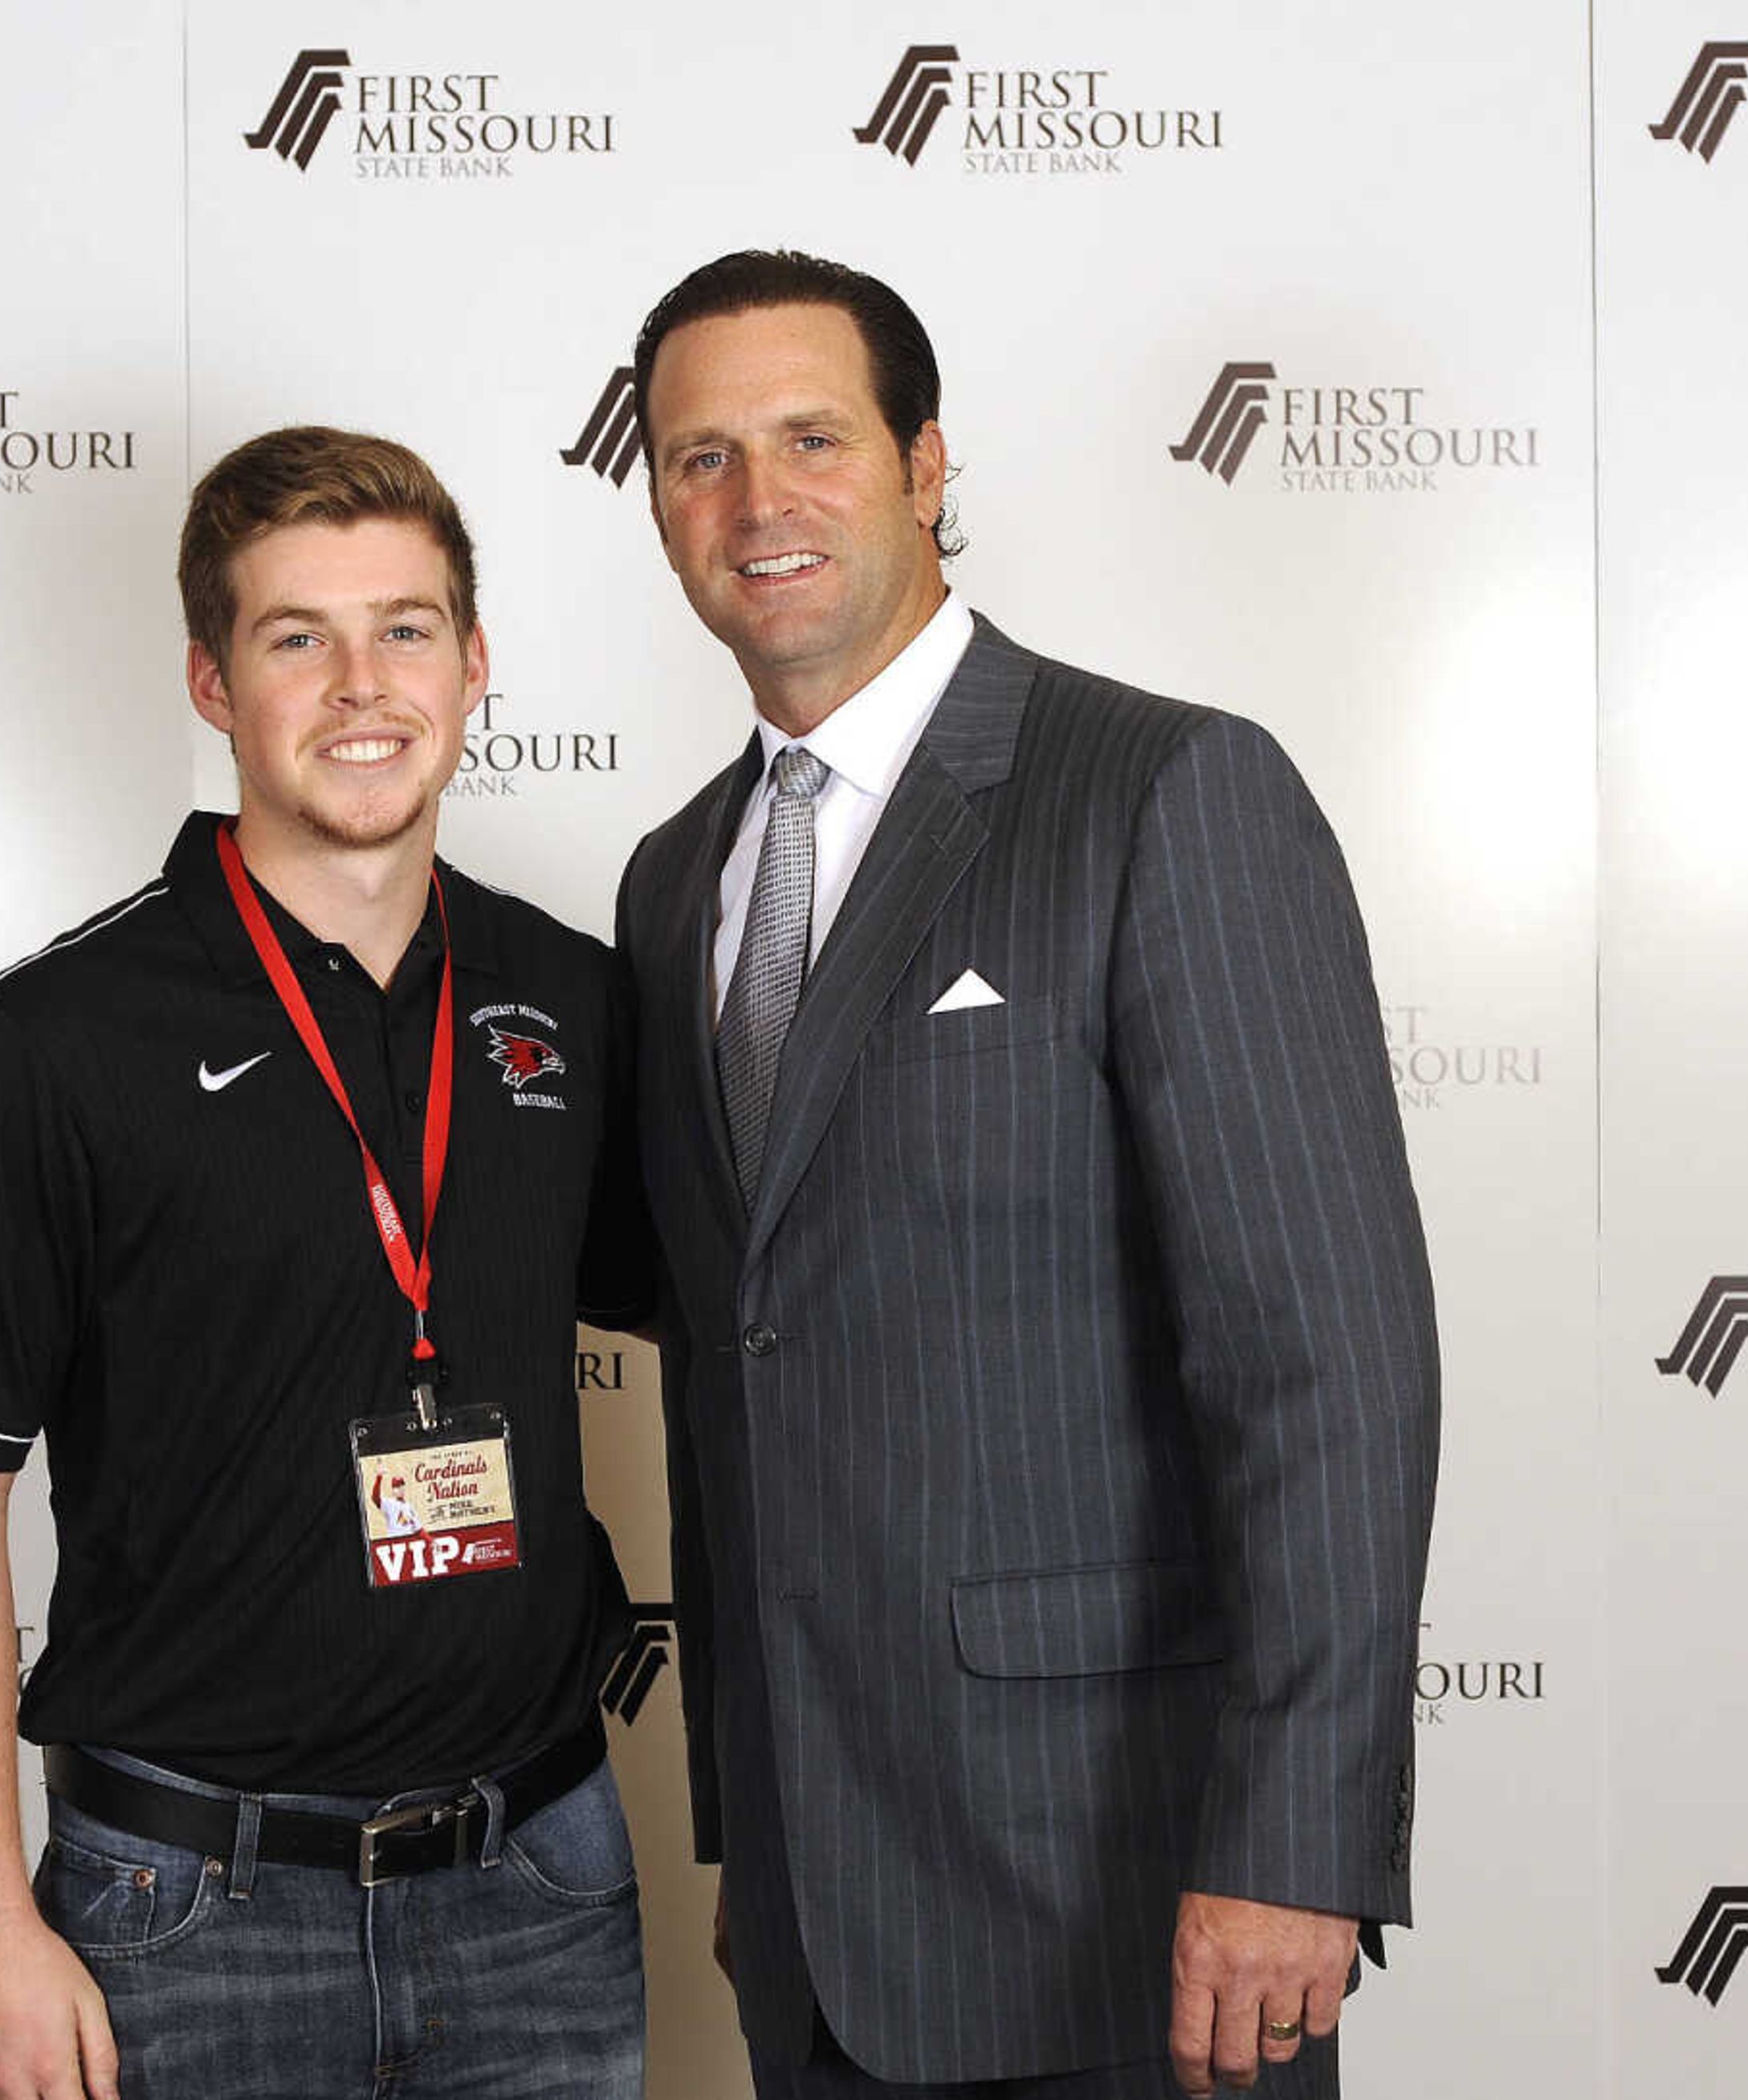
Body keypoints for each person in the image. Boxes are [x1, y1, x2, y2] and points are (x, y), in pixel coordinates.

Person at [611, 250, 1440, 2100]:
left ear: (925, 467)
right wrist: (756, 1831)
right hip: (822, 1931)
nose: (759, 503)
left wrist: (1295, 1845)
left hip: (1128, 1910)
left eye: (813, 438)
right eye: (700, 457)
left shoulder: (1166, 794)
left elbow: (1327, 1367)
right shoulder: (674, 886)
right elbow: (728, 1378)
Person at [0, 426, 650, 2100]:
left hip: (545, 1892)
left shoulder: (568, 997)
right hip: (191, 1918)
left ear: (476, 662)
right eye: (299, 639)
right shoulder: (51, 1040)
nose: (364, 684)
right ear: (213, 683)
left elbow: (761, 1330)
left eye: (407, 629)